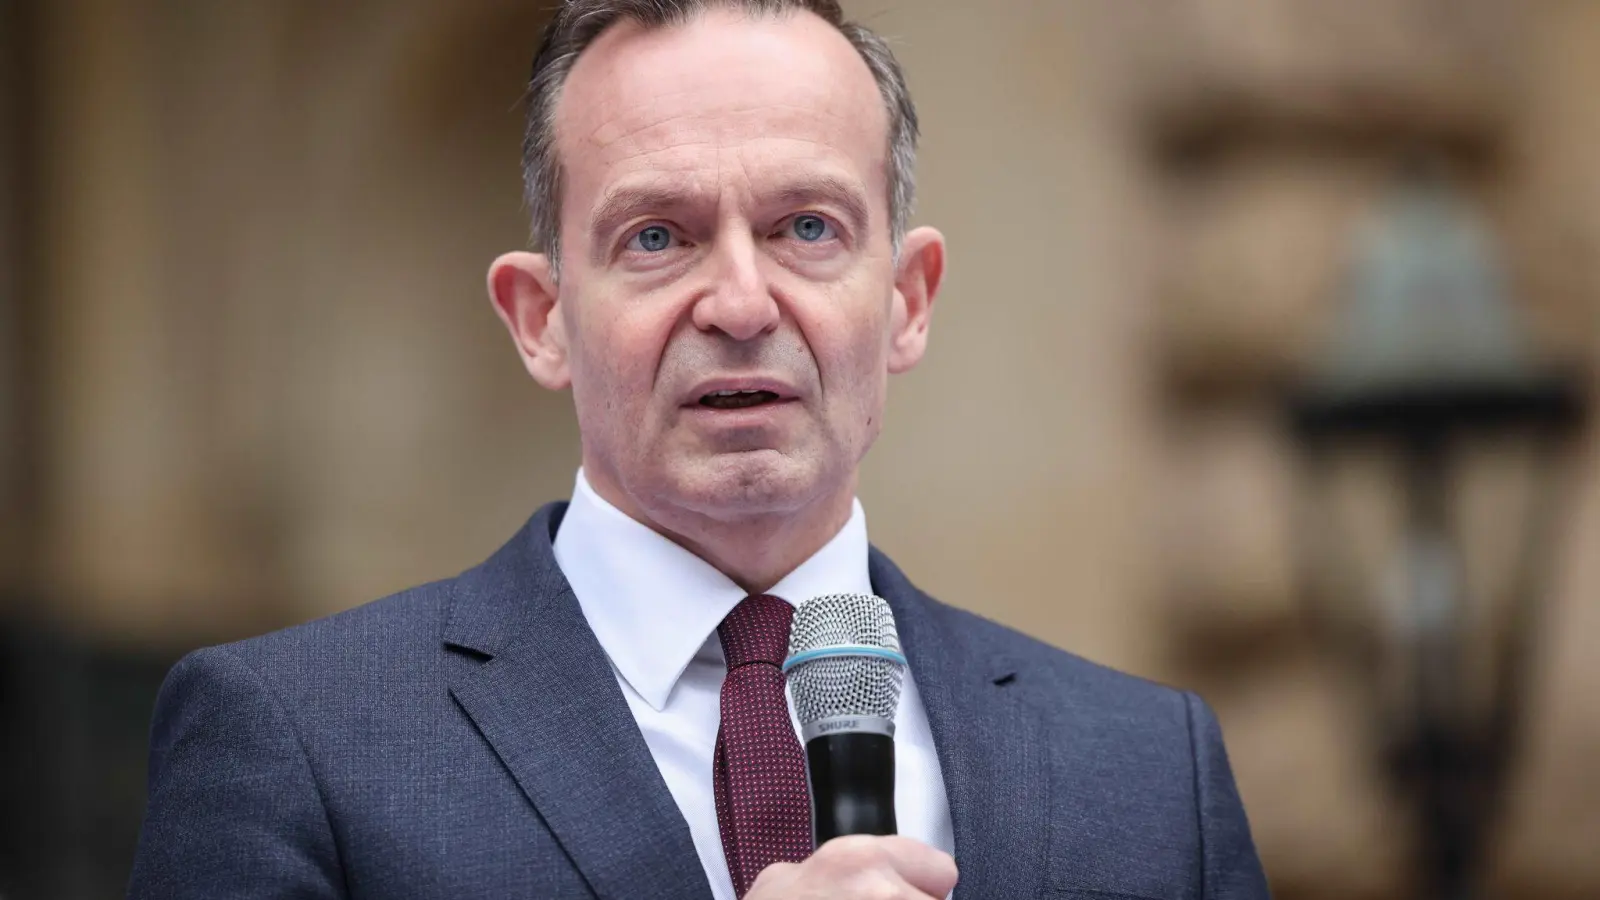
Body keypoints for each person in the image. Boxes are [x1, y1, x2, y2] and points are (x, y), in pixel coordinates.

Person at [127, 2, 1270, 898]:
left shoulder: (1143, 767)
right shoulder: (299, 740)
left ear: (908, 301)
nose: (737, 300)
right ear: (542, 319)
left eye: (806, 228)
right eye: (657, 235)